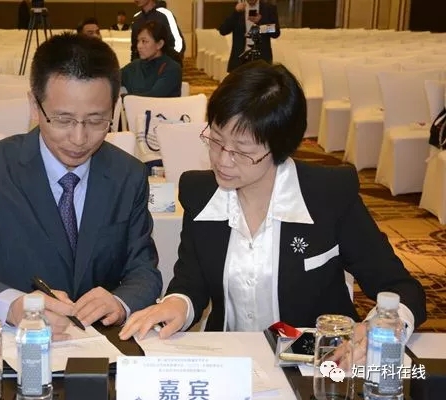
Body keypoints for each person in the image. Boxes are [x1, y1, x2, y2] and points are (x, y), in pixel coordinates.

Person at [119, 61, 426, 367]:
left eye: (242, 151)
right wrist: (177, 304)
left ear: (280, 149)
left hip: (315, 365)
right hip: (232, 363)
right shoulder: (199, 193)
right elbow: (191, 282)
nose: (223, 160)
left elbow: (402, 288)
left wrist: (375, 330)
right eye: (216, 140)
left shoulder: (328, 196)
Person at [0, 33, 162, 338]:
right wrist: (12, 306)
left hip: (103, 344)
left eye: (96, 121)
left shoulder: (127, 173)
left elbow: (144, 270)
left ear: (114, 109)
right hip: (22, 342)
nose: (79, 139)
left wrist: (120, 301)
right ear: (34, 106)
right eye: (63, 120)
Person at [121, 21, 182, 98]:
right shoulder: (135, 65)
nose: (139, 46)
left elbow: (152, 97)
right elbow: (113, 78)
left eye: (144, 41)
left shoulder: (171, 68)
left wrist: (124, 98)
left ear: (159, 44)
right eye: (138, 41)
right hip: (132, 105)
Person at [219, 0, 280, 72]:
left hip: (262, 59)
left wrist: (261, 22)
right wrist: (236, 12)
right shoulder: (236, 7)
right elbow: (223, 31)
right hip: (240, 59)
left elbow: (276, 33)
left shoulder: (268, 8)